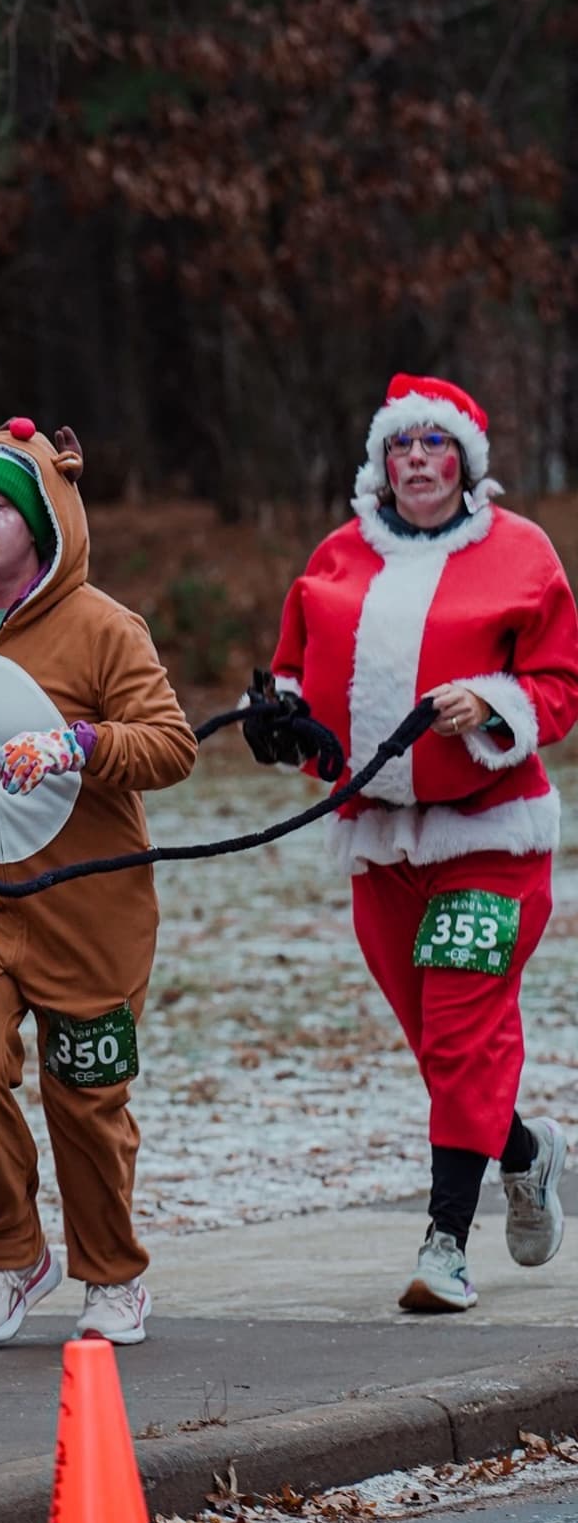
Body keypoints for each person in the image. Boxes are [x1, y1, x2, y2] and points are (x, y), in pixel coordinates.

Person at [249, 372, 578, 1313]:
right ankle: (525, 1151)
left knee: (463, 1029)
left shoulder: (521, 553)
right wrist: (281, 720)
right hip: (379, 840)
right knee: (439, 1046)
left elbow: (559, 683)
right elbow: (293, 673)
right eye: (404, 446)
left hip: (491, 835)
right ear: (381, 461)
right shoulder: (338, 555)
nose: (419, 461)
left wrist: (495, 703)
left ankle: (445, 1244)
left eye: (437, 445)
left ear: (467, 462)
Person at [0, 418, 196, 1348]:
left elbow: (173, 747)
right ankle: (15, 1252)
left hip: (90, 903)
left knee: (85, 1097)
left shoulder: (106, 627)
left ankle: (113, 1275)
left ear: (43, 521)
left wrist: (81, 742)